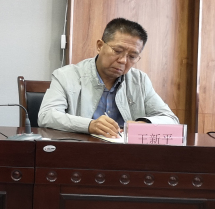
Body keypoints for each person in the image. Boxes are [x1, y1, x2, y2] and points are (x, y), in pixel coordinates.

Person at [39, 18, 178, 136]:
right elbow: (46, 115)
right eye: (117, 51)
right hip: (82, 151)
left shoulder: (140, 80)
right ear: (100, 46)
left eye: (132, 56)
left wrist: (144, 124)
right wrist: (89, 125)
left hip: (127, 153)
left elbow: (171, 119)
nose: (123, 60)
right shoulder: (66, 75)